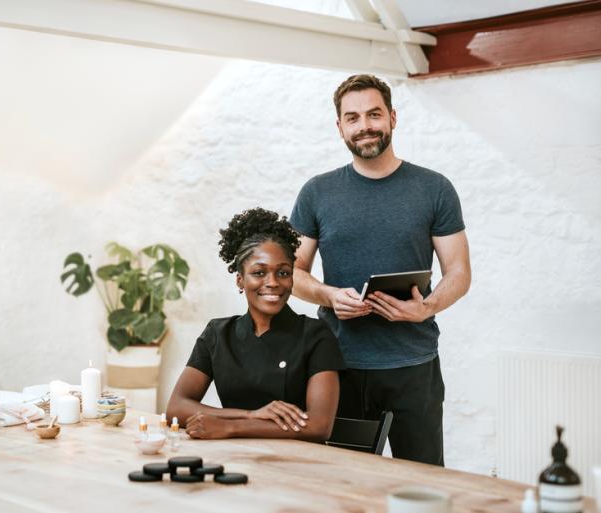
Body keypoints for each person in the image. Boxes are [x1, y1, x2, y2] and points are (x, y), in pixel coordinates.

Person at [289, 74, 471, 465]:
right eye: (352, 118)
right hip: (337, 365)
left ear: (392, 117)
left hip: (413, 365)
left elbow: (458, 272)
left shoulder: (434, 188)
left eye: (374, 114)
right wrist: (330, 295)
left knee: (422, 484)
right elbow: (293, 273)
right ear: (340, 127)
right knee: (346, 484)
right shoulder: (317, 192)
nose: (364, 126)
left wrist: (427, 307)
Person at [166, 208, 344, 442]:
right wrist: (252, 415)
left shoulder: (316, 336)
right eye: (259, 272)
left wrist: (231, 427)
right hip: (232, 458)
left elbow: (318, 427)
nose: (272, 283)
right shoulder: (218, 334)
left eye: (283, 273)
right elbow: (176, 408)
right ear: (240, 279)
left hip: (295, 463)